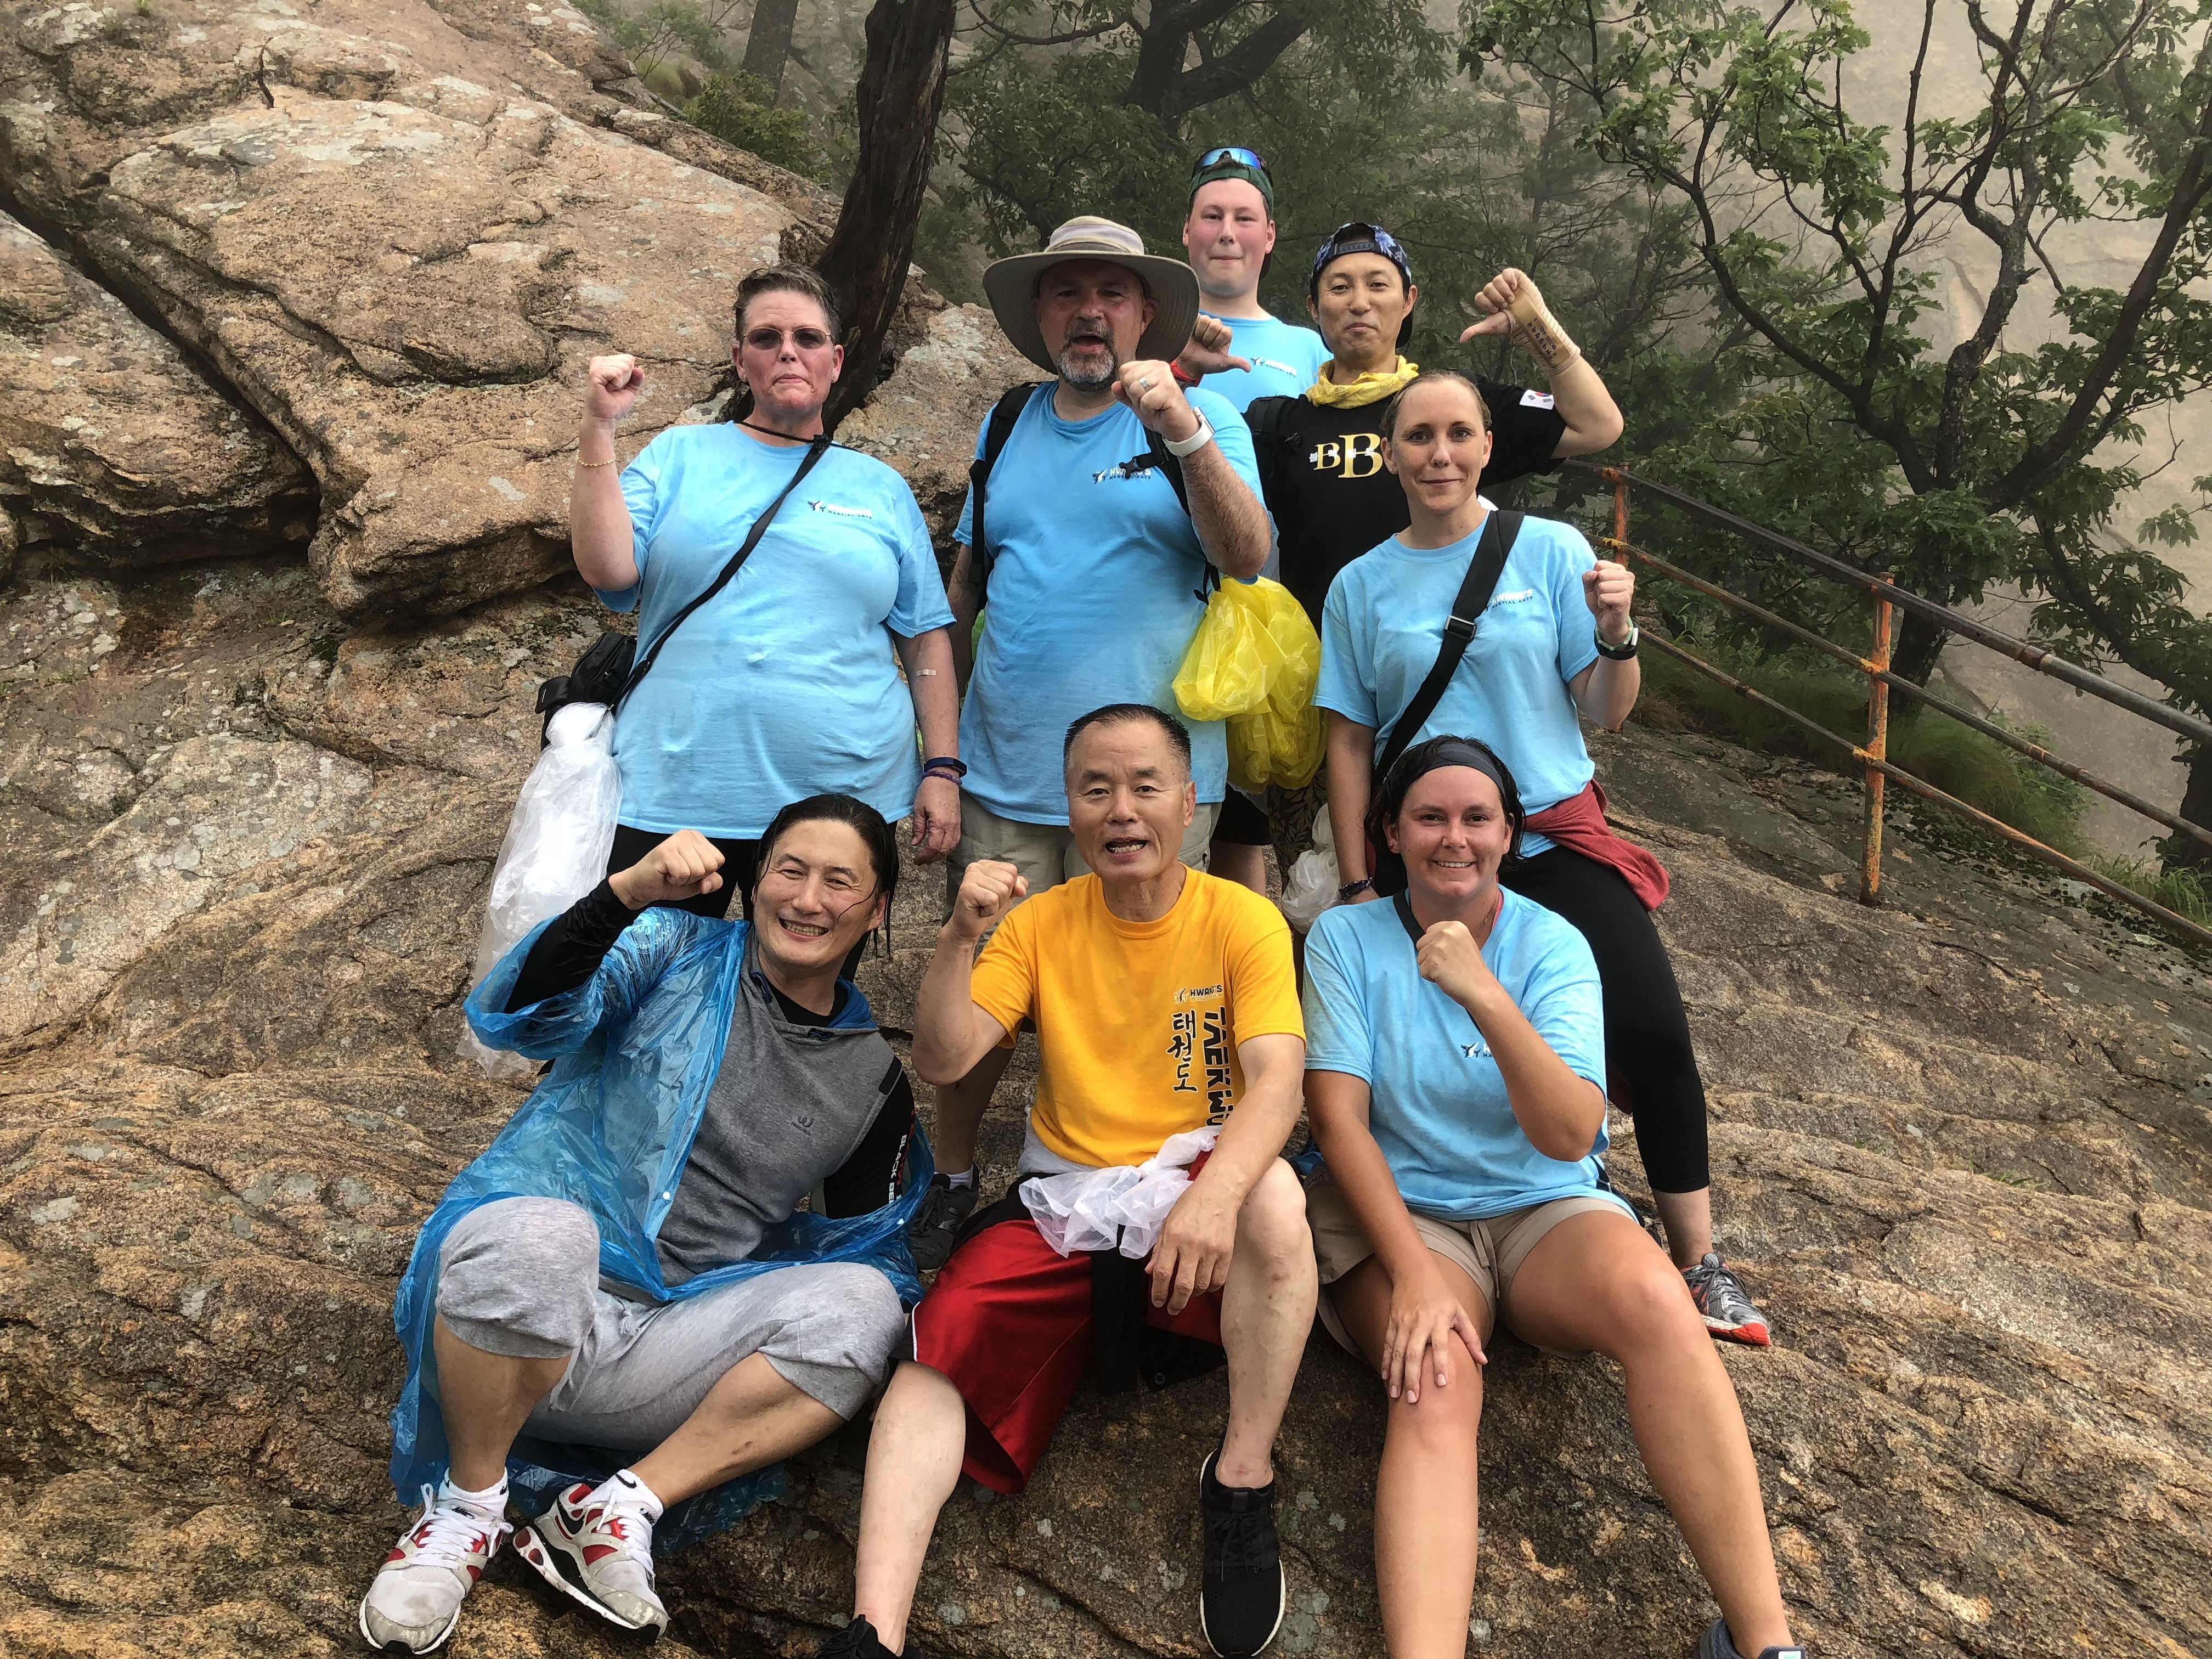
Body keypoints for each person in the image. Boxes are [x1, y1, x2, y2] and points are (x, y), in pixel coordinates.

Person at [361, 798, 929, 1653]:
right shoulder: (671, 949)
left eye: (839, 881)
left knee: (866, 1307)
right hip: (517, 1313)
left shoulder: (871, 1080)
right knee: (544, 1238)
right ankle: (468, 1507)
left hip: (669, 1356)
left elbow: (869, 1246)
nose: (809, 899)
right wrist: (625, 893)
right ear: (755, 881)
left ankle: (617, 1509)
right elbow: (529, 1015)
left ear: (877, 908)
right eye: (790, 870)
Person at [824, 706, 1316, 1659]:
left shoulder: (1240, 917)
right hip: (1071, 1195)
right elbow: (945, 1057)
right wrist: (959, 937)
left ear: (1188, 801)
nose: (1121, 809)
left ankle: (1242, 1477)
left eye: (1144, 786)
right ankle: (872, 1630)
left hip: (1201, 1189)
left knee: (1273, 1198)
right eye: (1096, 789)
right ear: (1069, 807)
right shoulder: (1041, 922)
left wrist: (1214, 1197)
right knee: (940, 1340)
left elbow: (1278, 1080)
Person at [1303, 736, 1803, 1659]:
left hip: (1543, 1207)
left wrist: (1484, 993)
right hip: (1409, 1217)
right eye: (1429, 817)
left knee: (1661, 1302)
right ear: (1390, 833)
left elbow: (1570, 1133)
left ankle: (1765, 1642)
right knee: (1436, 1376)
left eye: (1477, 818)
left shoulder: (1555, 944)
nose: (1455, 838)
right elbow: (1339, 1121)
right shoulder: (1345, 939)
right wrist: (1412, 1273)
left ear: (1510, 833)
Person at [1316, 369, 1769, 1344]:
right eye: (1418, 436)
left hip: (1546, 838)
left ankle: (1697, 1258)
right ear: (1389, 454)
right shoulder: (1359, 584)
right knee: (1418, 1045)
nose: (1440, 454)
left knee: (1650, 1025)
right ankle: (1445, 1216)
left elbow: (1605, 707)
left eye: (1460, 433)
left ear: (1489, 446)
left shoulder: (1552, 549)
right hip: (1427, 850)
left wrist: (1617, 632)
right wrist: (1358, 876)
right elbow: (1349, 739)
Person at [910, 217, 1273, 1268]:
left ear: (1146, 312)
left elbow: (1247, 553)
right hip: (1005, 771)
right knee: (984, 979)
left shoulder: (1201, 417)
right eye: (1066, 292)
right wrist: (939, 758)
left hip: (1152, 785)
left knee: (1151, 994)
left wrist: (1183, 432)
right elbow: (966, 588)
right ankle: (951, 1173)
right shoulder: (1007, 422)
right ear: (1040, 313)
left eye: (1110, 293)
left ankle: (1155, 1192)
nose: (1088, 312)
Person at [1238, 223, 1624, 893]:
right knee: (1322, 898)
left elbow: (1598, 425)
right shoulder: (1278, 423)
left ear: (1409, 301)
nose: (1360, 301)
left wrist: (1539, 329)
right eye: (1340, 287)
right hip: (1321, 703)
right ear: (1314, 308)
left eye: (1378, 284)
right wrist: (1184, 374)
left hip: (1436, 703)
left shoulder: (1450, 406)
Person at [571, 262, 962, 922]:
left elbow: (924, 640)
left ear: (836, 361)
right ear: (739, 360)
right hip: (673, 788)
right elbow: (607, 570)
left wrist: (943, 770)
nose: (788, 351)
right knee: (641, 974)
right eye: (766, 338)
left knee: (802, 980)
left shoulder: (881, 489)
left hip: (840, 799)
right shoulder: (676, 456)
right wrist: (599, 427)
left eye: (808, 338)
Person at [1174, 144, 1330, 894]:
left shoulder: (1310, 349)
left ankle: (1264, 963)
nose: (1227, 232)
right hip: (1171, 604)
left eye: (1245, 217)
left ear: (1270, 236)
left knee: (1253, 830)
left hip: (1272, 614)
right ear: (1187, 232)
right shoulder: (1149, 334)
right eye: (1212, 216)